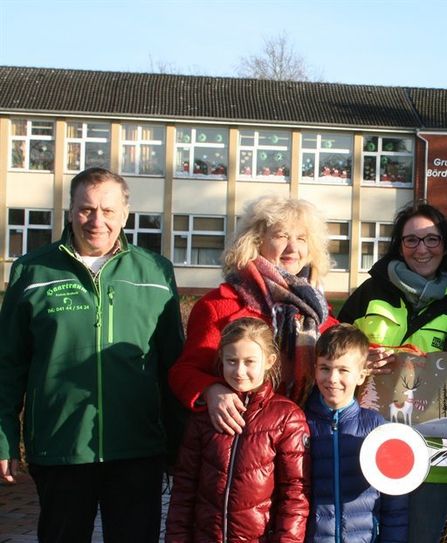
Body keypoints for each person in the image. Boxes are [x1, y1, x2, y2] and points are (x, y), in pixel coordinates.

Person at [0, 167, 184, 542]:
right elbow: (7, 364)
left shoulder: (155, 272)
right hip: (60, 445)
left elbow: (173, 365)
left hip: (137, 446)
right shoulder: (32, 270)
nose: (97, 220)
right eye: (86, 209)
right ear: (70, 211)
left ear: (125, 214)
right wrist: (3, 437)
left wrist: (179, 446)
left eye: (108, 210)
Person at [338, 200, 447, 543]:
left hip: (433, 453)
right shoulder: (371, 292)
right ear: (399, 246)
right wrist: (360, 361)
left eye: (431, 239)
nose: (422, 249)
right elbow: (335, 348)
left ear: (446, 245)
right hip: (367, 443)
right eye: (411, 240)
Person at [169, 195, 338, 435]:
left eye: (301, 238)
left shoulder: (316, 309)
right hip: (242, 440)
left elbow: (341, 358)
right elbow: (184, 373)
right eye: (281, 236)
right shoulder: (219, 305)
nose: (293, 248)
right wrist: (211, 390)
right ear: (256, 240)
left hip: (302, 438)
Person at [166, 317, 311, 542]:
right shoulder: (203, 418)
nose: (239, 371)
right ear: (221, 360)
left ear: (270, 360)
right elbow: (184, 489)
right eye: (231, 361)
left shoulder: (287, 418)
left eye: (249, 361)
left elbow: (294, 494)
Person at [304, 323, 409, 542]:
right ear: (314, 370)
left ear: (361, 376)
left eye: (343, 370)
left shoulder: (376, 427)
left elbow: (394, 502)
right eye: (325, 368)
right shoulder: (301, 424)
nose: (332, 378)